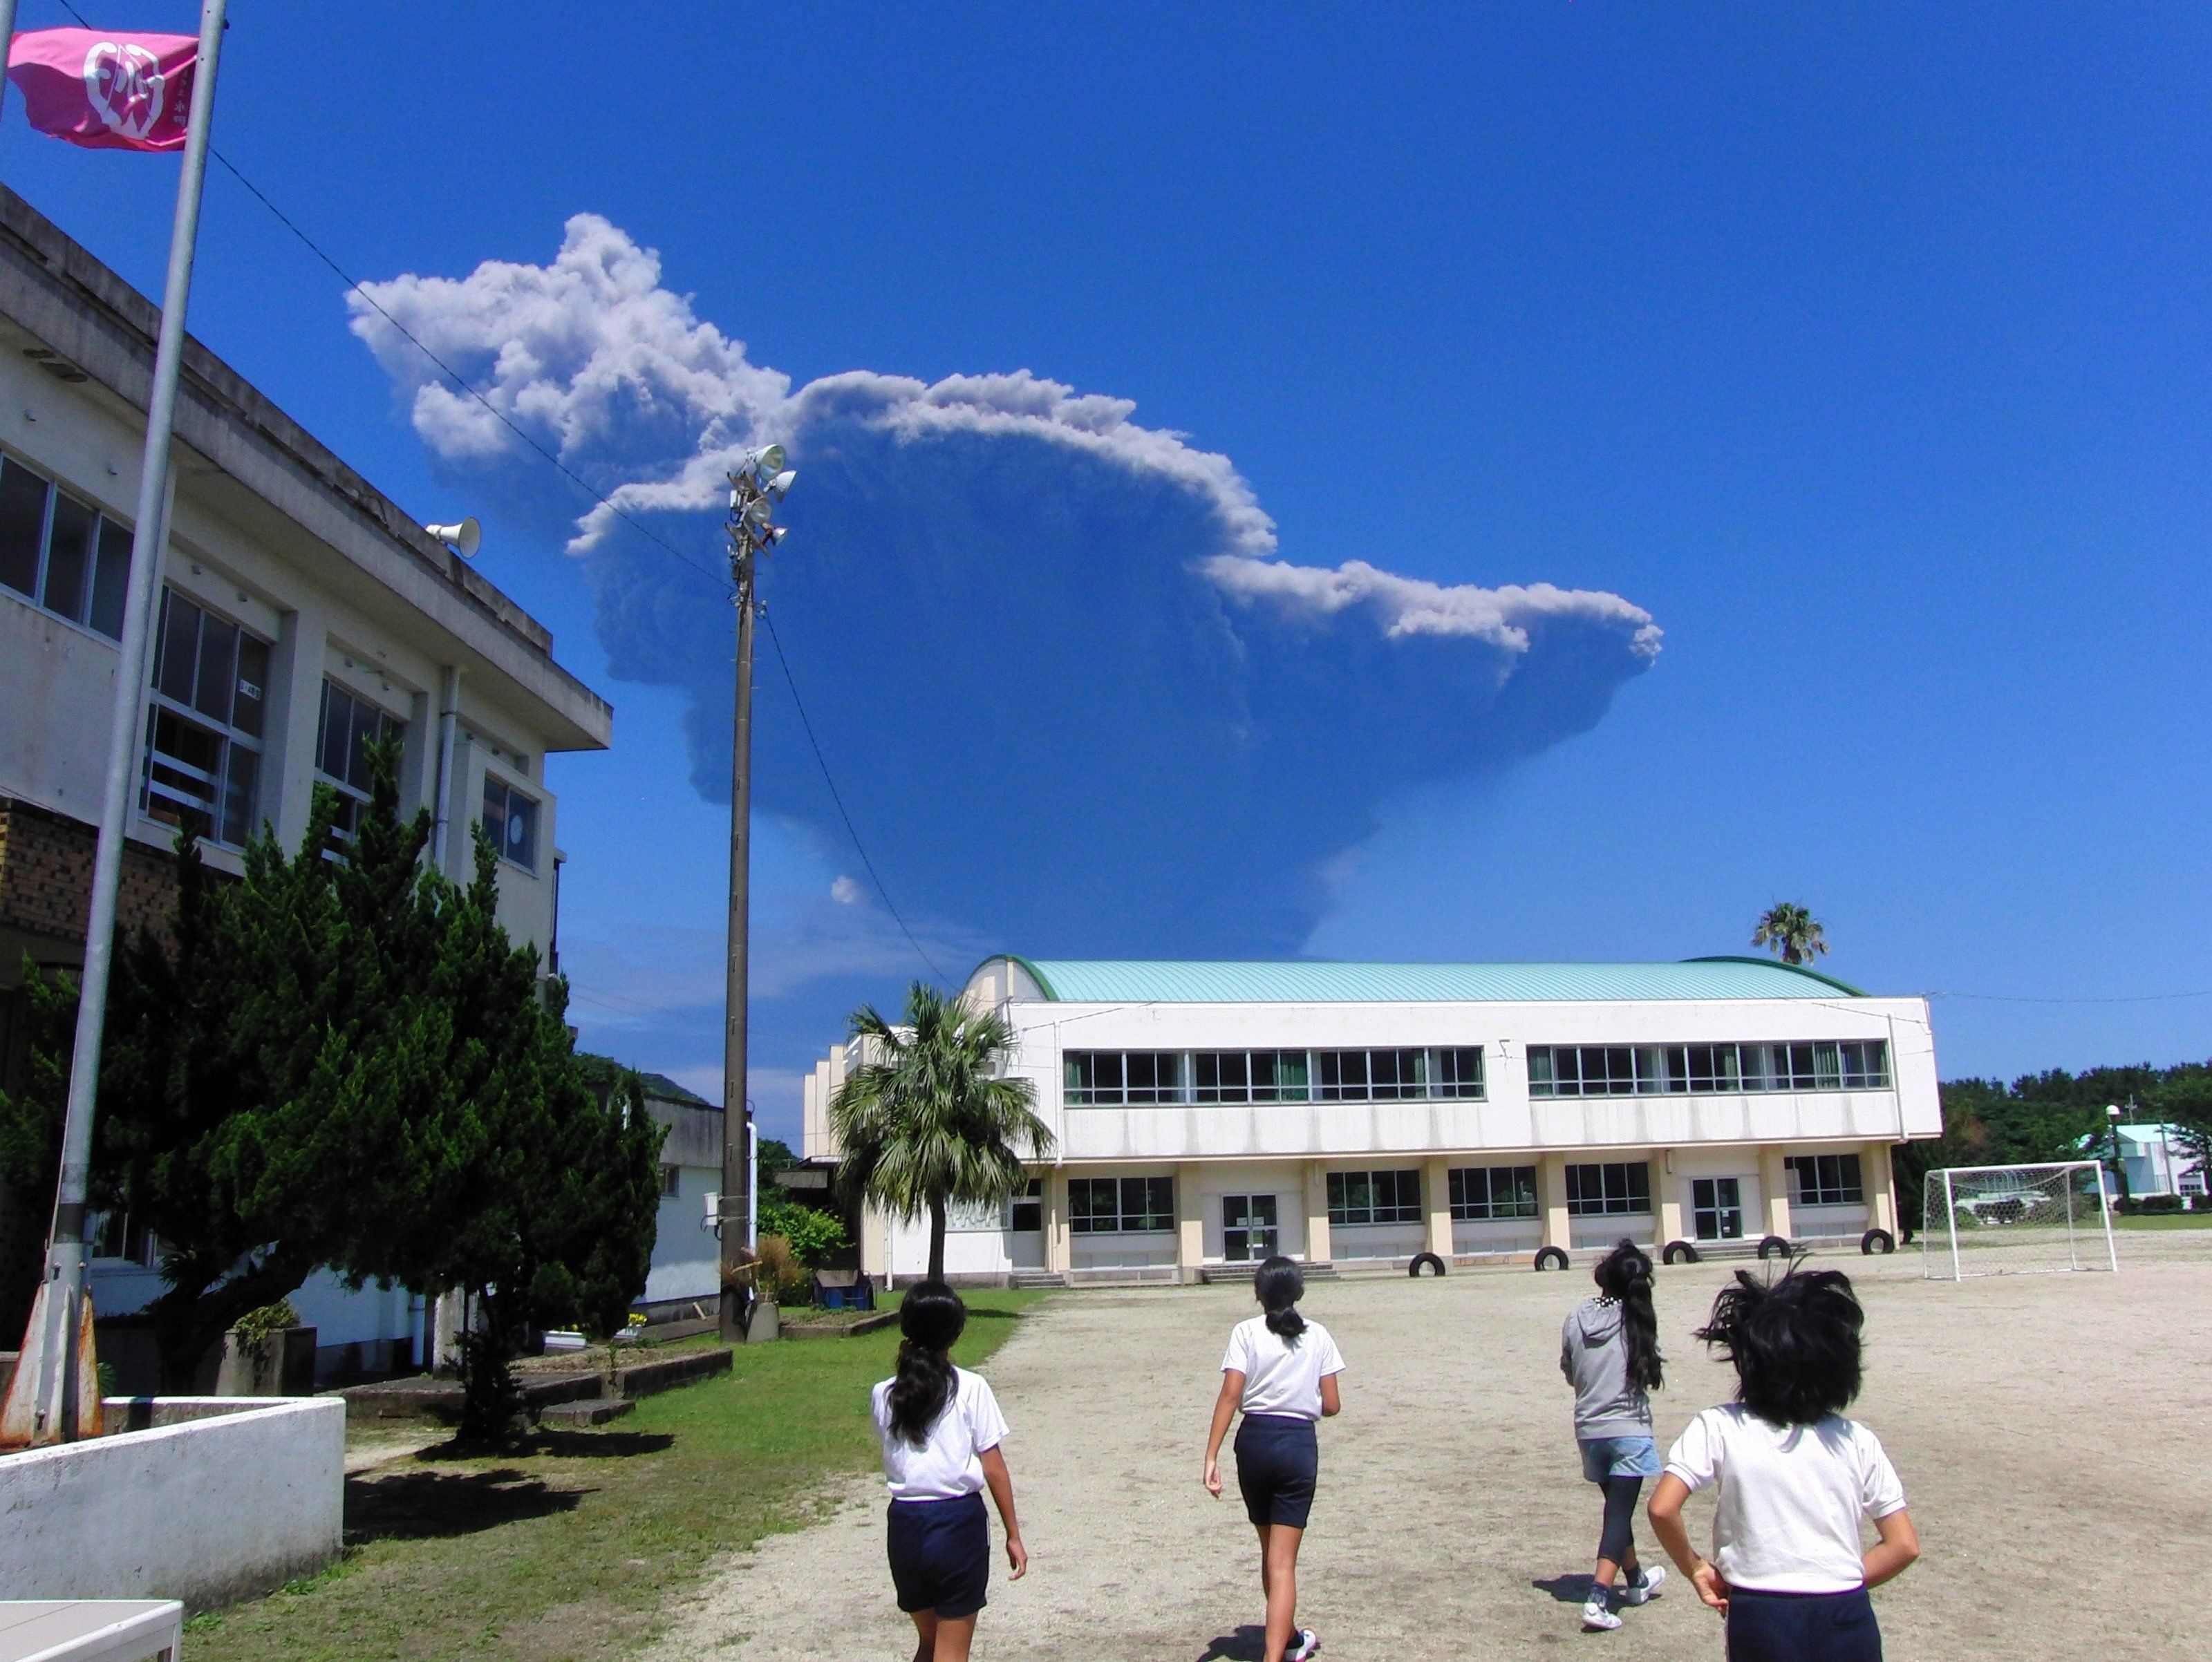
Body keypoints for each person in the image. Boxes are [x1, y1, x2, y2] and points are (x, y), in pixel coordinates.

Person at [1647, 1263, 1921, 1662]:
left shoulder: (1720, 1425)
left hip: (1761, 1610)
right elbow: (1904, 1545)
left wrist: (1696, 1569)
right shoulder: (1856, 1439)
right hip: (1846, 1611)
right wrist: (1833, 1578)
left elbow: (1662, 1507)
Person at [870, 1281, 1028, 1662]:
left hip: (905, 1525)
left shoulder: (883, 1393)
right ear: (956, 1331)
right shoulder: (971, 1388)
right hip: (956, 1523)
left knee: (929, 1642)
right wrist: (1013, 1534)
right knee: (953, 1651)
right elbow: (994, 1468)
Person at [1202, 1255, 1343, 1662]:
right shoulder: (1317, 1336)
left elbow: (1231, 1394)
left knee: (1270, 1553)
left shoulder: (1245, 1332)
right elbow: (1332, 1405)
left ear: (1258, 1294)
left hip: (1255, 1443)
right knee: (1283, 1563)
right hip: (1297, 1444)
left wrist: (1210, 1456)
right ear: (1299, 1293)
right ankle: (1275, 1656)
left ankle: (1291, 1638)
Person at [1561, 1238, 1670, 1632]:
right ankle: (1598, 1597)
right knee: (1618, 1515)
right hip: (1628, 1429)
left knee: (1616, 1514)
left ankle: (1637, 1579)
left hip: (1589, 1429)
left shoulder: (1577, 1316)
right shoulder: (1637, 1318)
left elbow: (1570, 1370)